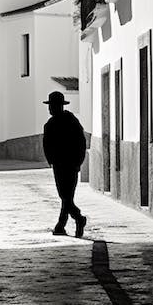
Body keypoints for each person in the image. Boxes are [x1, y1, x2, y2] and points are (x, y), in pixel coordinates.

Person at [42, 90, 87, 237]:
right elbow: (82, 141)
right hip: (68, 165)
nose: (49, 109)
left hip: (64, 166)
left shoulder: (53, 124)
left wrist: (53, 161)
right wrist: (78, 161)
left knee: (65, 196)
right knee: (67, 196)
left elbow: (47, 145)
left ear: (57, 106)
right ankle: (62, 225)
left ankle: (77, 218)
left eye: (51, 106)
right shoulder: (71, 121)